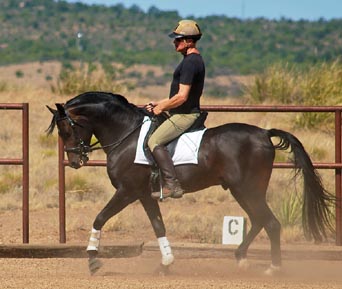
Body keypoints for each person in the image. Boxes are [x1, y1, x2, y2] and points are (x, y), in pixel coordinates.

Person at [146, 19, 205, 200]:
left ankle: (172, 185)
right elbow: (176, 96)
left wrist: (161, 108)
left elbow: (182, 97)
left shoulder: (190, 63)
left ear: (188, 41)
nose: (174, 42)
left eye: (178, 39)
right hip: (181, 112)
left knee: (154, 141)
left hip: (185, 115)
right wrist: (159, 103)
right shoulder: (192, 60)